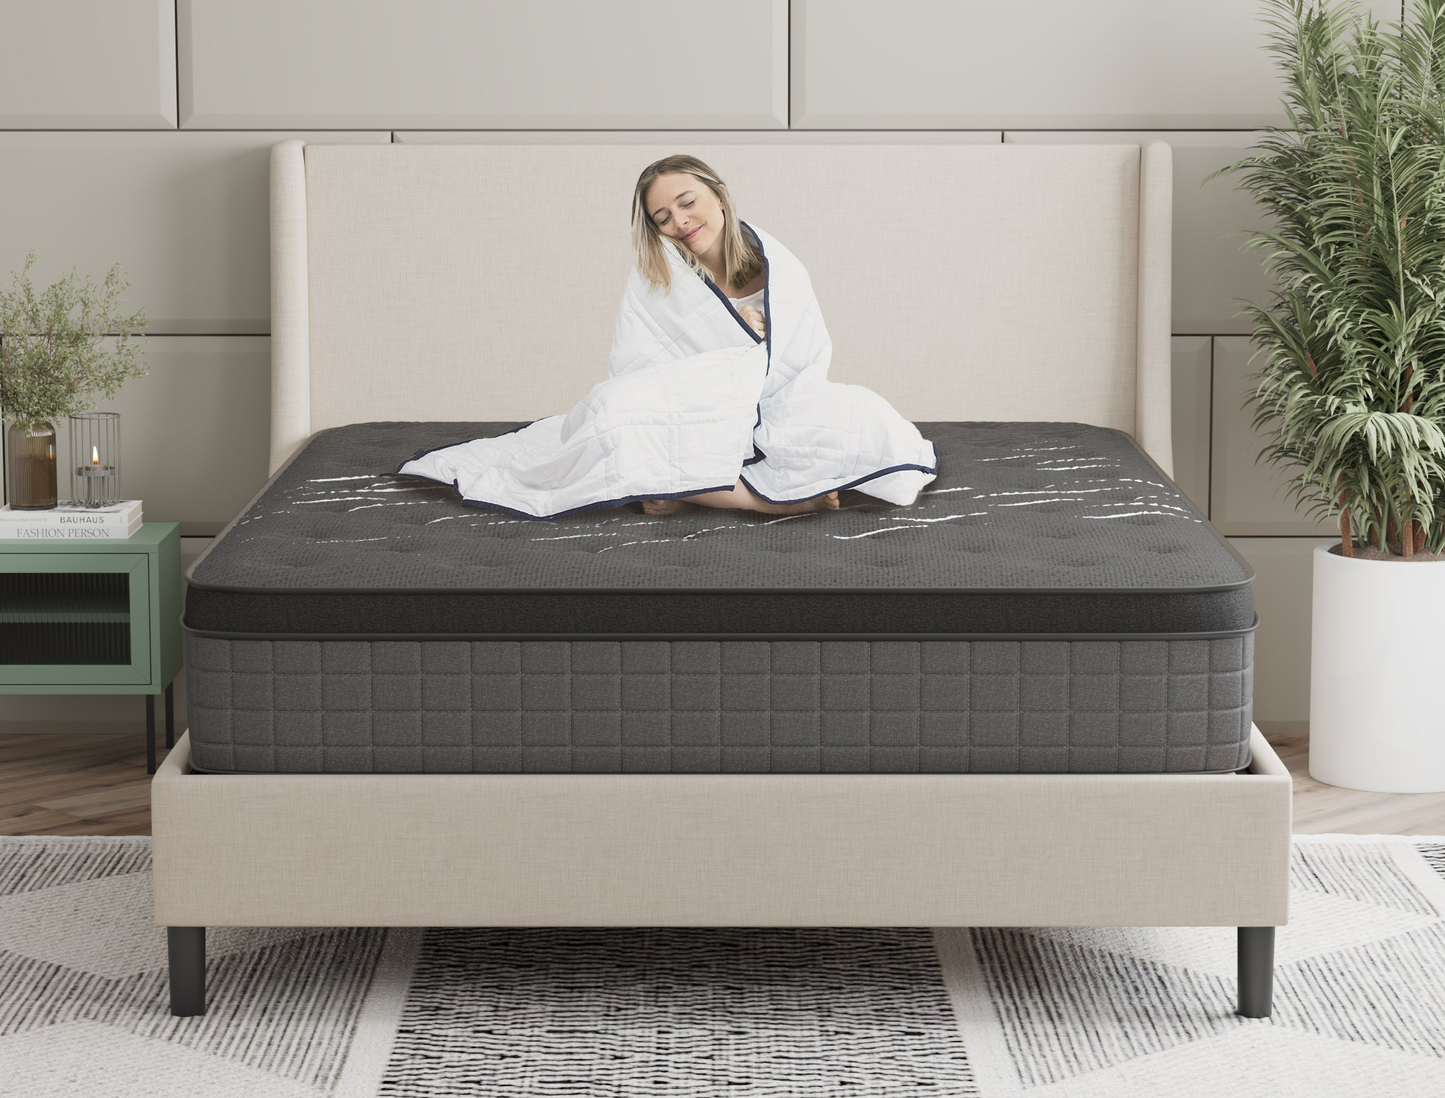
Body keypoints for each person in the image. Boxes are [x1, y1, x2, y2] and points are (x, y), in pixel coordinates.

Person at [627, 156, 841, 517]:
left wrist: (757, 343)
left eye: (688, 203)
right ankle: (779, 504)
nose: (679, 222)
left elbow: (803, 360)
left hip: (771, 412)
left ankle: (690, 491)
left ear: (720, 196)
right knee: (624, 436)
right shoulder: (658, 279)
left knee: (850, 429)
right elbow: (643, 369)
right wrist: (727, 334)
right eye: (663, 218)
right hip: (695, 416)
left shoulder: (778, 267)